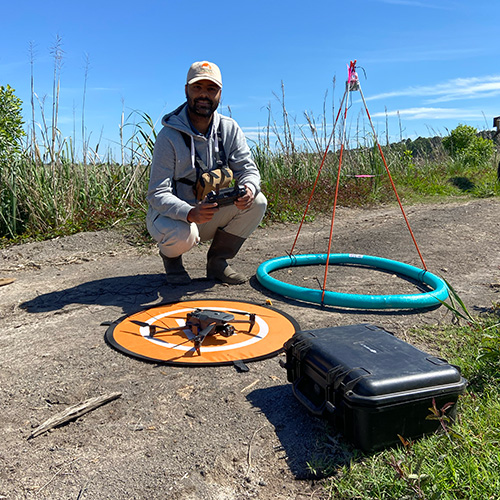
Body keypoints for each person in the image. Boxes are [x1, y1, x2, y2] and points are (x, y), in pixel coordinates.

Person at [146, 61, 267, 285]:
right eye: (197, 87)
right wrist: (190, 212)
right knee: (184, 235)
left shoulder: (230, 129)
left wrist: (248, 189)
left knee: (258, 201)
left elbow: (248, 170)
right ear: (186, 90)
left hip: (209, 212)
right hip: (174, 217)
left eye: (211, 89)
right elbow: (157, 193)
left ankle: (217, 263)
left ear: (220, 94)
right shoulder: (168, 136)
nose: (204, 95)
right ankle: (172, 260)